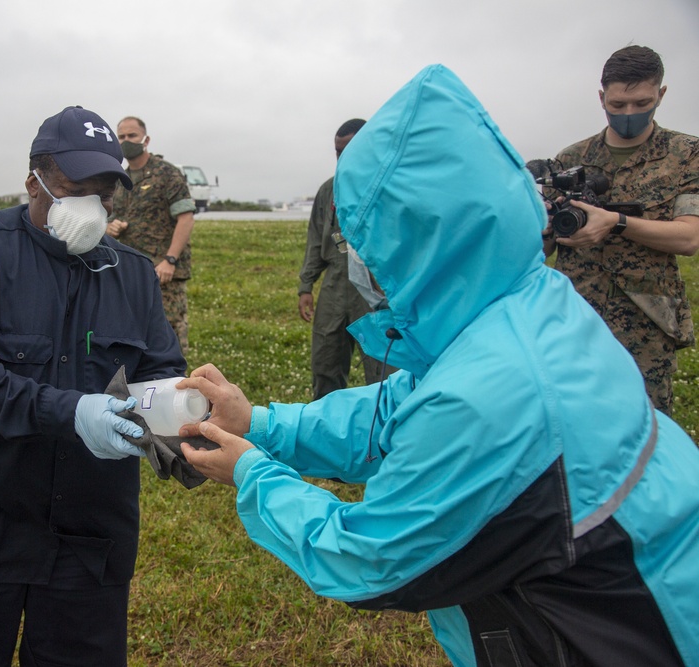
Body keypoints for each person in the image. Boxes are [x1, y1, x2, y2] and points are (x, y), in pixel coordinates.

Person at [178, 65, 699, 666]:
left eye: (371, 248)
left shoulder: (492, 391)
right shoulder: (517, 303)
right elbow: (395, 409)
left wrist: (254, 476)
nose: (364, 267)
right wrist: (262, 424)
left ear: (419, 242)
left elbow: (370, 560)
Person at [0, 105, 185, 666]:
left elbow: (159, 373)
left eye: (104, 193)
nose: (91, 208)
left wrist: (182, 427)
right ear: (34, 183)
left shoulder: (133, 273)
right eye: (75, 189)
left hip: (85, 537)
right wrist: (72, 413)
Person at [542, 45, 699, 416]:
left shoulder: (686, 154)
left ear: (661, 94)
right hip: (576, 320)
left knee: (649, 433)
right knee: (575, 426)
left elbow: (689, 237)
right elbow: (542, 248)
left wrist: (617, 223)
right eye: (617, 105)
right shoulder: (570, 160)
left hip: (647, 326)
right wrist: (543, 224)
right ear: (601, 98)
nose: (629, 113)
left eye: (642, 102)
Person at [298, 119, 392, 399]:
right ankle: (325, 424)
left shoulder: (390, 187)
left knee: (381, 365)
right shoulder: (329, 190)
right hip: (335, 284)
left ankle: (381, 426)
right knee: (325, 360)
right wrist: (306, 286)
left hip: (377, 286)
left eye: (349, 151)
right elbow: (316, 240)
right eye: (338, 153)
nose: (342, 159)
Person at [106, 116, 196, 355]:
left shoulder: (167, 174)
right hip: (127, 272)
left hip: (163, 272)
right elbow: (104, 218)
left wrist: (170, 260)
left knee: (169, 335)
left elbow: (185, 218)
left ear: (146, 139)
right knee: (132, 335)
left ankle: (177, 385)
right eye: (121, 137)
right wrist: (109, 227)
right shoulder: (118, 180)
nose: (126, 141)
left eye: (132, 136)